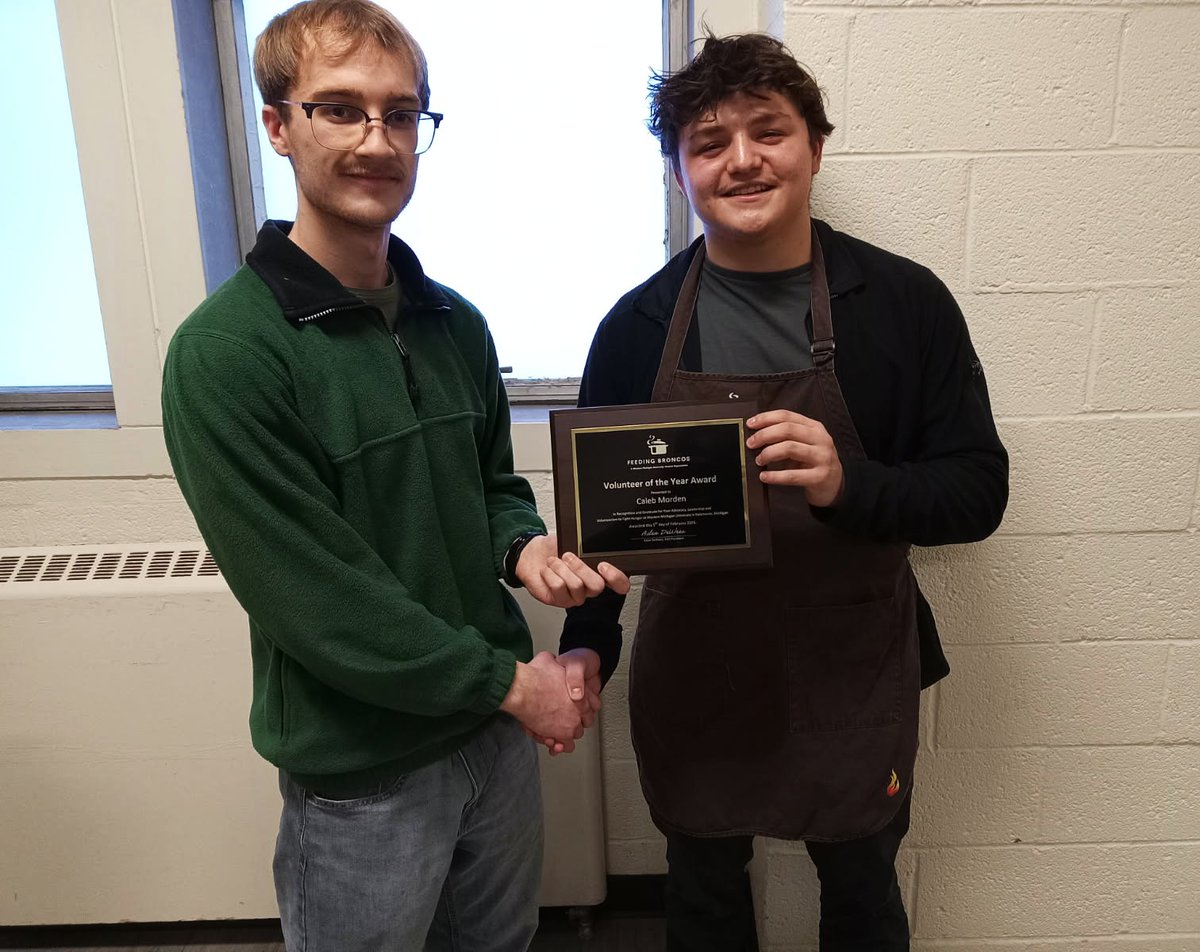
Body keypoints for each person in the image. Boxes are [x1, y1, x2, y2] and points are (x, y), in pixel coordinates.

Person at [161, 2, 626, 949]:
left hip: (491, 749)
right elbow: (319, 601)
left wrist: (525, 546)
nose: (378, 141)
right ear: (278, 125)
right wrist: (514, 684)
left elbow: (492, 484)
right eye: (341, 109)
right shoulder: (225, 354)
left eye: (402, 114)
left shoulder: (454, 323)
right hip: (364, 776)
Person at [560, 32, 1008, 951]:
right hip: (698, 672)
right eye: (709, 143)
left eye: (769, 131)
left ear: (814, 145)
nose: (743, 160)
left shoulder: (901, 304)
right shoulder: (638, 326)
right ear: (678, 171)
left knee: (861, 892)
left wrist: (852, 483)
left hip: (853, 668)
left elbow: (977, 493)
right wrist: (584, 651)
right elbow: (601, 531)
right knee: (706, 899)